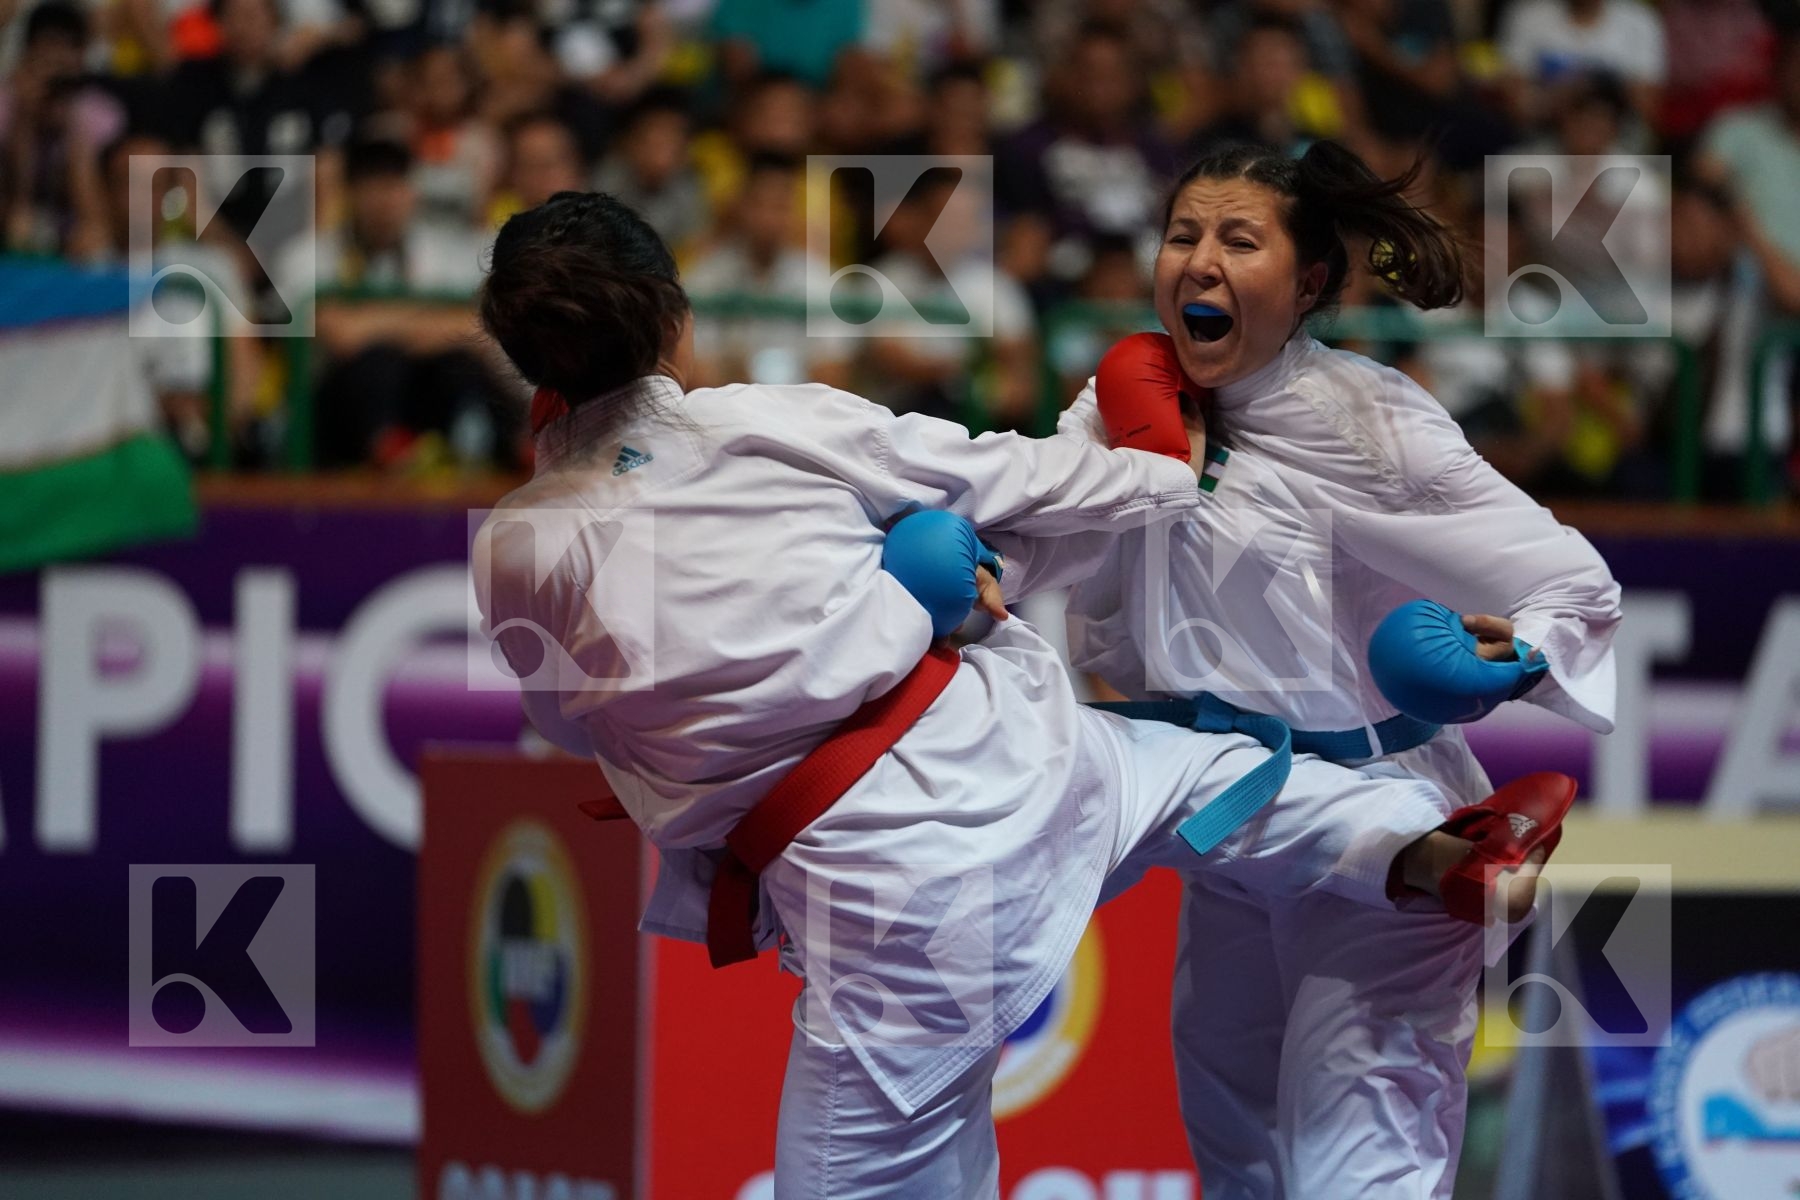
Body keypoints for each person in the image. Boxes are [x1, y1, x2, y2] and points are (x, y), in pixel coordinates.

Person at [471, 190, 1571, 1196]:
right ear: (675, 317)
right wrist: (1152, 459)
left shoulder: (517, 543)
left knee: (854, 1166)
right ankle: (1423, 852)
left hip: (895, 893)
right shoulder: (777, 418)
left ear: (526, 358)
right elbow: (1019, 477)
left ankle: (1418, 853)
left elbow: (571, 720)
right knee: (1208, 769)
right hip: (1023, 757)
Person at [1036, 140, 1620, 1199]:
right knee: (1241, 1152)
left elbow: (1571, 582)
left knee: (1361, 1162)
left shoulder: (1372, 422)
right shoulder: (1127, 400)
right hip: (1229, 818)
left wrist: (1517, 656)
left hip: (1390, 819)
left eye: (1237, 240)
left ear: (1308, 282)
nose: (1199, 263)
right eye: (1183, 236)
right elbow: (1042, 538)